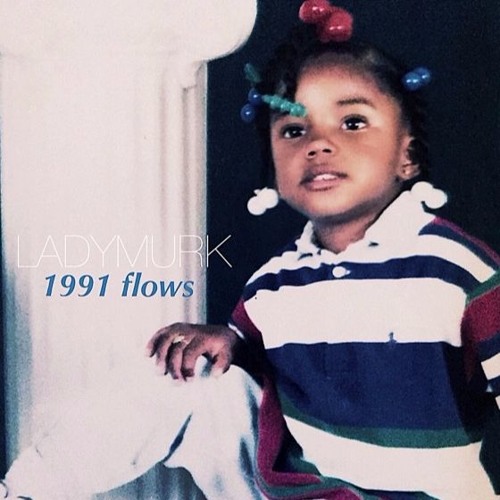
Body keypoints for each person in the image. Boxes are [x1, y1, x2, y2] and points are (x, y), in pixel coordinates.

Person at [2, 2, 499, 499]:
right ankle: (25, 490)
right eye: (293, 130)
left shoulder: (456, 269)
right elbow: (255, 360)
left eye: (352, 123)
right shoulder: (274, 283)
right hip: (295, 492)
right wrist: (228, 340)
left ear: (407, 156)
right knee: (186, 375)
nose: (318, 144)